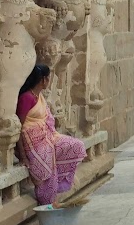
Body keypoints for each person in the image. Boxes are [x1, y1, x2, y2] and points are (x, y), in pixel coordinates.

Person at [16, 64, 86, 207]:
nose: (49, 82)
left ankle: (56, 190)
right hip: (33, 143)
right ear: (43, 80)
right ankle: (47, 200)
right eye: (48, 78)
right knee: (46, 161)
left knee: (75, 146)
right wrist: (22, 156)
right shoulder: (26, 98)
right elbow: (20, 127)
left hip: (47, 137)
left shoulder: (39, 97)